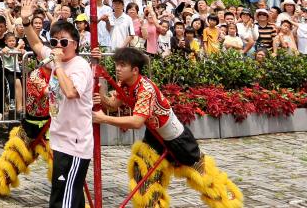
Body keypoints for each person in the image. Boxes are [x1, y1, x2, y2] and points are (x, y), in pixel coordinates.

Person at [92, 47, 242, 208]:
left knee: (206, 178)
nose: (117, 68)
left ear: (135, 70)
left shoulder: (145, 89)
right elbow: (113, 104)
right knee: (142, 173)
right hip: (154, 137)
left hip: (177, 140)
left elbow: (136, 122)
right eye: (117, 64)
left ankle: (231, 205)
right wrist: (101, 96)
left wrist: (104, 119)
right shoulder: (124, 84)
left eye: (122, 65)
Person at [23, 4, 93, 208]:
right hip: (60, 138)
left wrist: (59, 65)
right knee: (68, 197)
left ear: (75, 44)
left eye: (64, 42)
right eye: (54, 42)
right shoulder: (56, 60)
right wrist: (26, 22)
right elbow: (37, 45)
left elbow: (71, 92)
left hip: (75, 143)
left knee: (63, 200)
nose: (58, 46)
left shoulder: (79, 66)